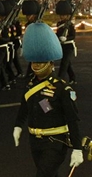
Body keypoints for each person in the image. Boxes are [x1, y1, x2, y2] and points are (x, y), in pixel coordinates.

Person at [13, 21, 84, 176]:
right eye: (35, 62)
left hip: (55, 142)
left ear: (51, 64)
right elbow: (25, 106)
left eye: (41, 62)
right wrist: (18, 125)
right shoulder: (31, 85)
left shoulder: (61, 88)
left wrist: (77, 148)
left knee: (43, 174)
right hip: (35, 141)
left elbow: (73, 119)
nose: (37, 65)